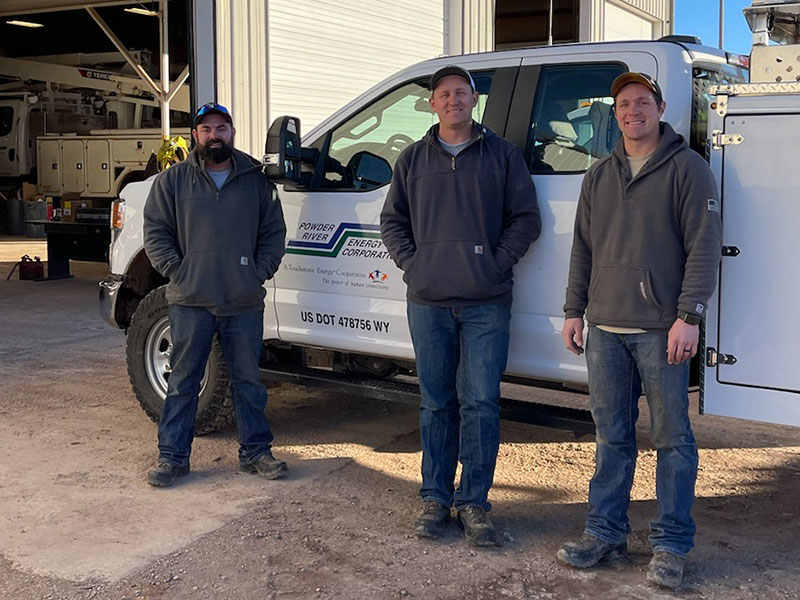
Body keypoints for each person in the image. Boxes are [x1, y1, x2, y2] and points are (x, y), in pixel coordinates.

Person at [558, 72, 722, 588]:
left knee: (672, 439)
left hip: (660, 330)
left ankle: (671, 546)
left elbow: (703, 245)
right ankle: (604, 533)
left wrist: (688, 316)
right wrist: (572, 309)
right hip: (604, 328)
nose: (633, 111)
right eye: (624, 103)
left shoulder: (688, 169)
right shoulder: (600, 175)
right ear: (616, 112)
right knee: (612, 438)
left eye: (643, 102)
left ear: (660, 107)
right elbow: (583, 247)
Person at [380, 65, 541, 547]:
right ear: (432, 104)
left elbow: (525, 219)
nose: (453, 100)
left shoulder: (503, 156)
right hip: (428, 301)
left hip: (485, 303)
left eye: (461, 93)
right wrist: (417, 264)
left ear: (475, 100)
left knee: (482, 404)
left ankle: (473, 504)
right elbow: (393, 222)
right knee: (435, 403)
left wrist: (496, 264)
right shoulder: (411, 160)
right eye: (443, 94)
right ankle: (434, 499)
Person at [143, 102, 288, 487]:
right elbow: (156, 233)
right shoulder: (171, 182)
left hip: (242, 301)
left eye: (221, 128)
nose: (214, 136)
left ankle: (256, 452)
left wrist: (257, 273)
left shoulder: (256, 180)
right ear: (195, 136)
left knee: (248, 381)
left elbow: (274, 233)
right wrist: (180, 271)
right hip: (190, 300)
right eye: (206, 129)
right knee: (183, 382)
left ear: (232, 132)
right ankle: (172, 458)